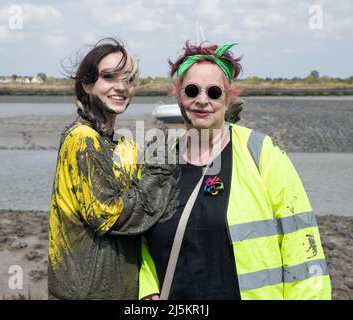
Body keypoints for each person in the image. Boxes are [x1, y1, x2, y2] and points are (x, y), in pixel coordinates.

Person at [139, 42, 332, 300]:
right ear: (178, 96)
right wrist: (148, 290)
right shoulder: (161, 163)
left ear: (228, 99)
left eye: (214, 92)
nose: (202, 100)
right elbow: (142, 242)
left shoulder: (262, 153)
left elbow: (301, 243)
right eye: (192, 90)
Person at [48, 38, 178, 300]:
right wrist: (160, 172)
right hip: (84, 292)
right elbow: (110, 214)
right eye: (109, 77)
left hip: (123, 290)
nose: (121, 87)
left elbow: (143, 217)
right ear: (87, 83)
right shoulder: (81, 138)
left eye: (129, 80)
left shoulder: (122, 144)